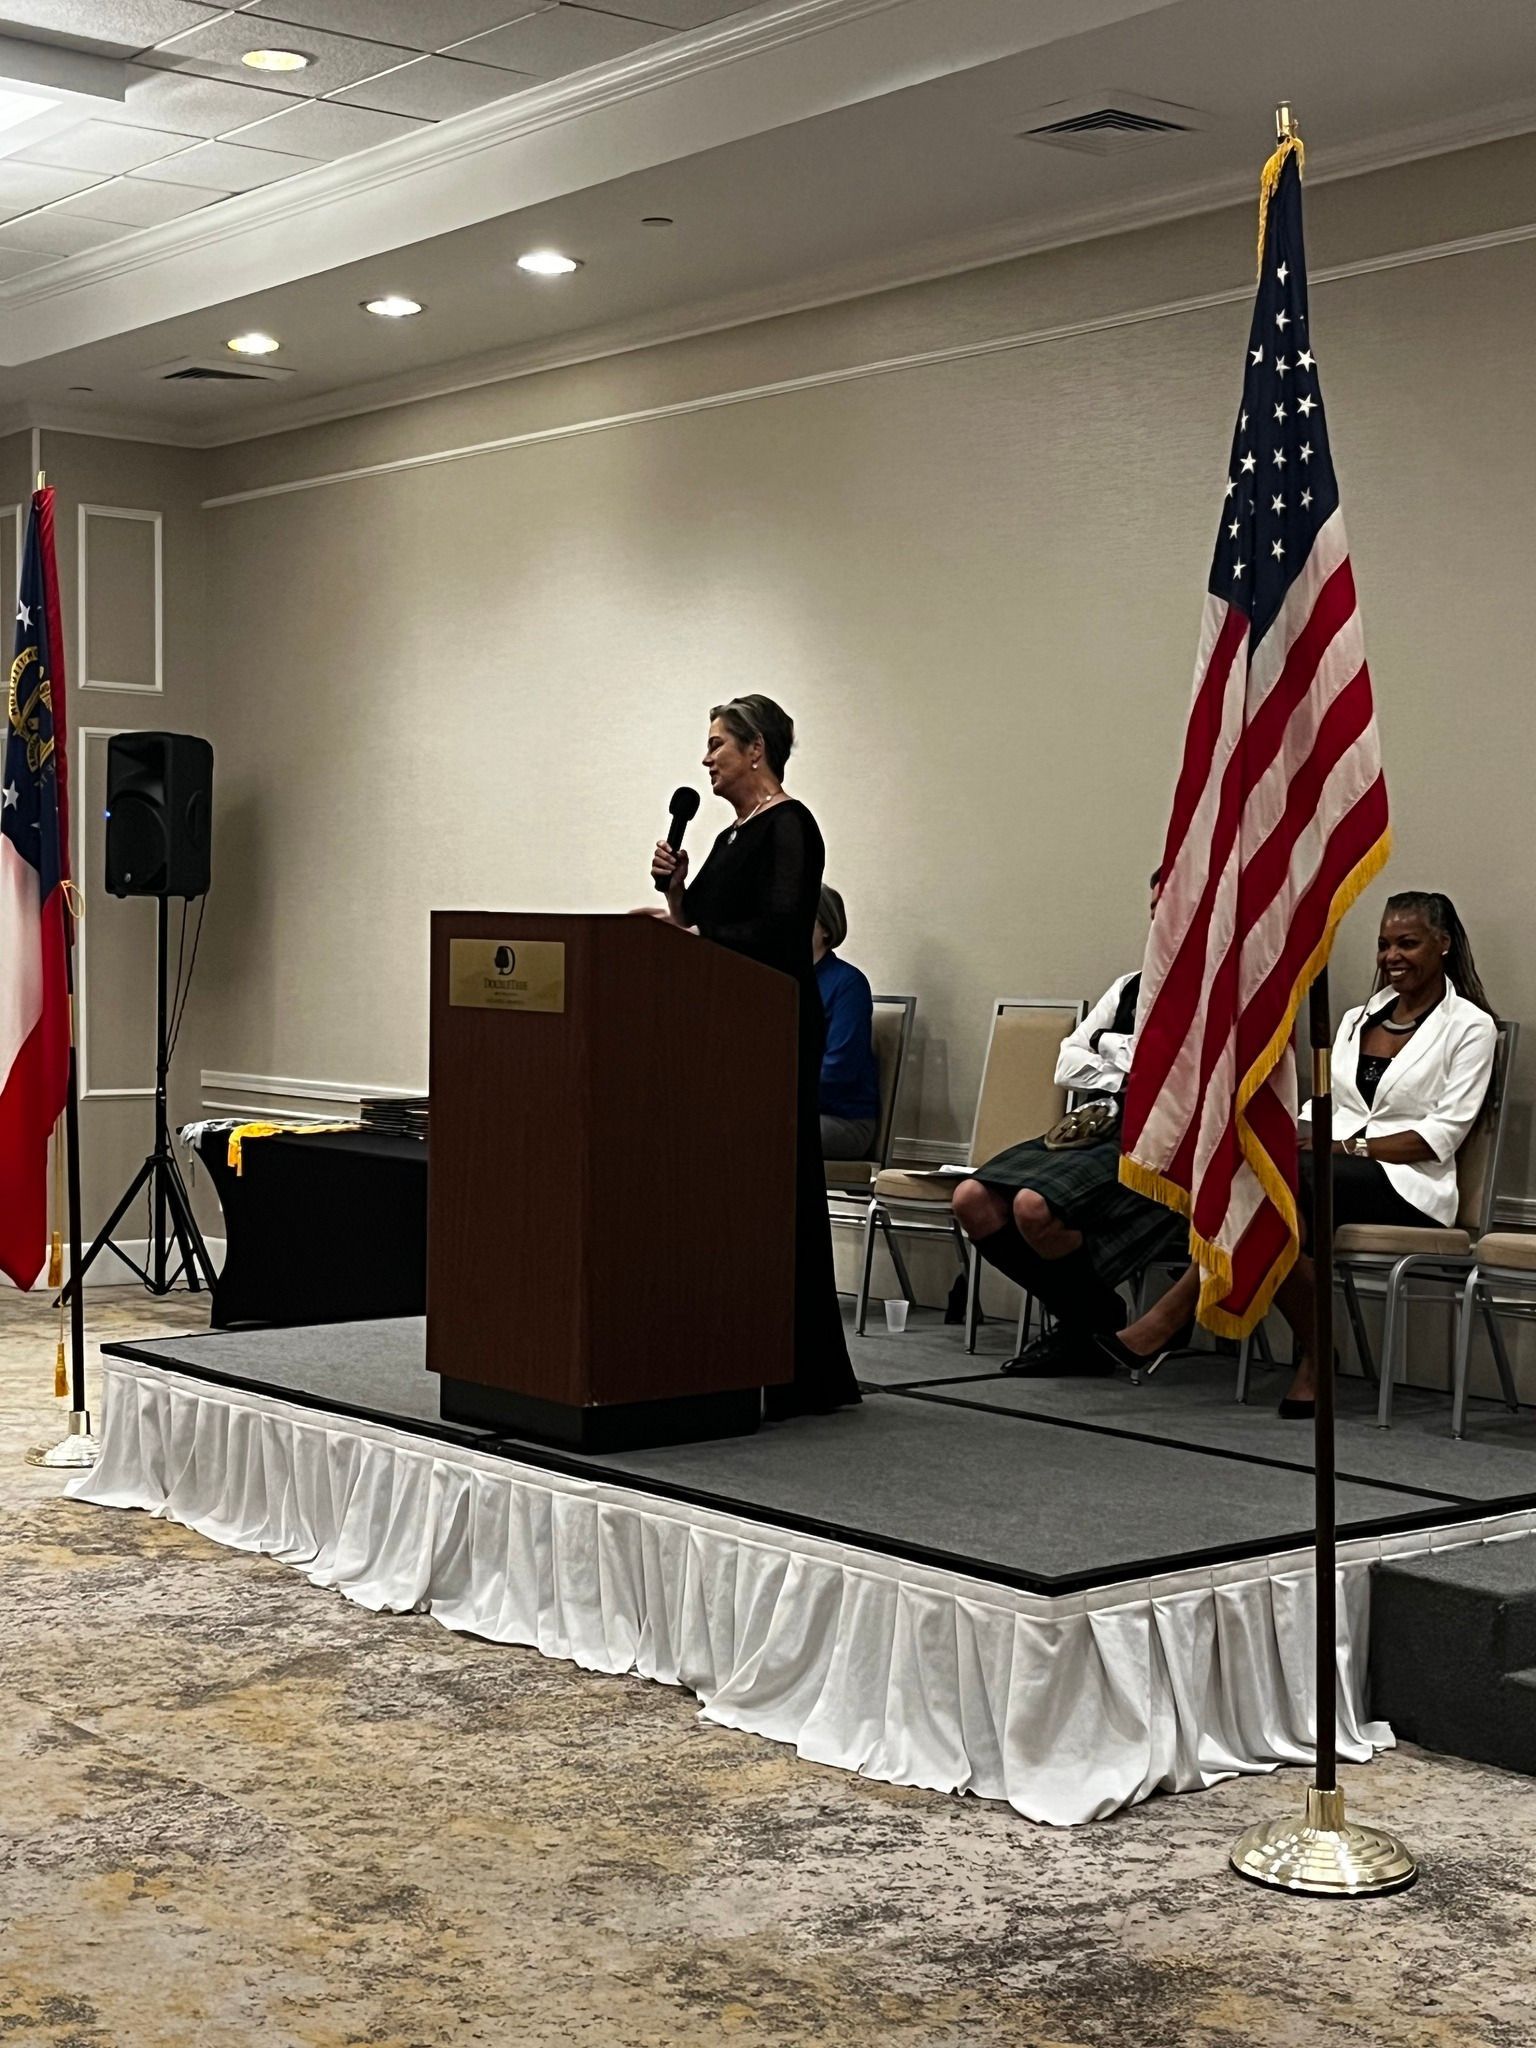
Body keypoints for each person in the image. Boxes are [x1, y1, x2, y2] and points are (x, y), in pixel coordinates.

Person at [1109, 890, 1499, 1412]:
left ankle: (1176, 1312)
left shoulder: (1471, 1027)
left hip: (1411, 1185)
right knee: (1268, 1182)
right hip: (1328, 1172)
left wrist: (1341, 1146)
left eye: (1408, 943)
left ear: (1443, 945)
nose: (1392, 957)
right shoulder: (1359, 1019)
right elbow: (1324, 1107)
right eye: (1384, 945)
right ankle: (1317, 1354)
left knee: (1292, 1183)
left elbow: (1438, 1138)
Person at [651, 695, 861, 1419]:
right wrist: (676, 892)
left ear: (755, 751)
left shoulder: (790, 826)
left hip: (771, 1028)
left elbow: (775, 933)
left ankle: (802, 1370)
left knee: (775, 1189)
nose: (706, 759)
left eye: (717, 745)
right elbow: (700, 925)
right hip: (723, 1032)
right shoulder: (729, 835)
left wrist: (696, 939)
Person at [951, 872, 1186, 1374]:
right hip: (1103, 1126)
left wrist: (1108, 1045)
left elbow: (1182, 1075)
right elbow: (1067, 1063)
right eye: (1153, 906)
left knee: (1034, 1208)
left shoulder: (1223, 990)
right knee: (971, 1199)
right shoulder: (1129, 986)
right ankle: (1093, 1317)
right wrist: (1125, 1055)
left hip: (1168, 1144)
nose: (1159, 917)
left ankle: (1083, 1328)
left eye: (1172, 905)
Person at [813, 885, 880, 1161]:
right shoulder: (779, 980)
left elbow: (838, 1070)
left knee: (753, 1131)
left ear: (826, 929)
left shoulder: (848, 983)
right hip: (790, 1111)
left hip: (844, 1121)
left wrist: (774, 1099)